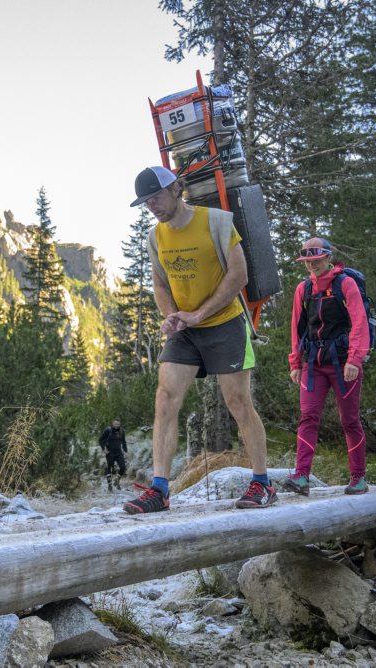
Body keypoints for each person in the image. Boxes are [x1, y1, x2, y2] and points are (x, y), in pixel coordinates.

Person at [123, 166, 276, 514]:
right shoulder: (155, 237)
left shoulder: (217, 222)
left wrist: (199, 314)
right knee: (165, 398)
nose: (153, 206)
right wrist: (172, 316)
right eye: (146, 202)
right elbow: (160, 284)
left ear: (177, 188)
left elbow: (239, 275)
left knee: (238, 401)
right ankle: (159, 489)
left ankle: (262, 483)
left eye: (157, 197)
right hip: (185, 329)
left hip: (225, 323)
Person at [283, 237, 370, 495]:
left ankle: (358, 477)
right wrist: (295, 362)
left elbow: (359, 323)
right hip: (313, 363)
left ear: (328, 258)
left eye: (317, 260)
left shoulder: (346, 284)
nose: (312, 265)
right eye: (308, 261)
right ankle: (301, 476)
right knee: (307, 417)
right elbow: (297, 328)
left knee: (350, 421)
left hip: (343, 363)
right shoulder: (304, 289)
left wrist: (354, 360)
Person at [98, 419, 128, 491]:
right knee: (110, 468)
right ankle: (109, 485)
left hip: (118, 452)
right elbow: (100, 440)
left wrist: (126, 451)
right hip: (110, 452)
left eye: (118, 424)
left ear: (120, 424)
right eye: (115, 424)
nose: (116, 425)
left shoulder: (122, 431)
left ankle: (117, 480)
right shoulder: (108, 430)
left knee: (123, 467)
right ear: (112, 424)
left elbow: (123, 441)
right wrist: (104, 449)